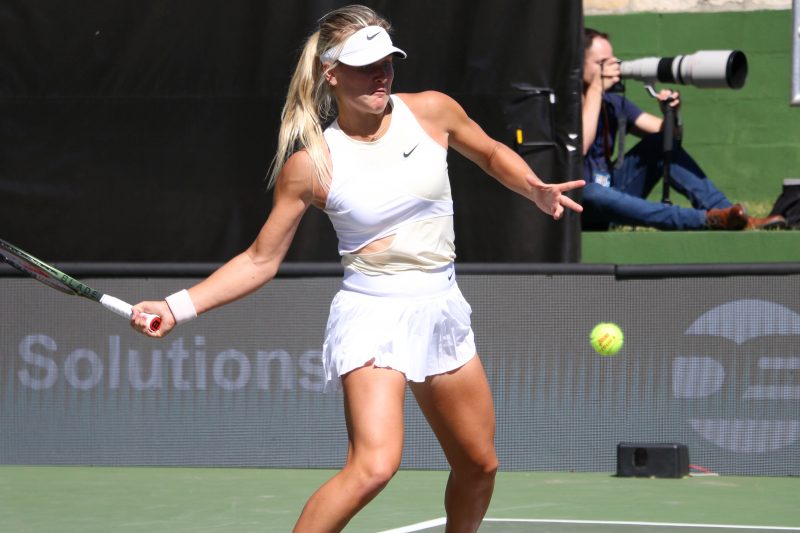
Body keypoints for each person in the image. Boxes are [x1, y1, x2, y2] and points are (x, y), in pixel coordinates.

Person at [131, 5, 584, 532]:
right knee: (374, 466)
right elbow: (260, 259)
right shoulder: (312, 164)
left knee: (479, 465)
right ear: (332, 74)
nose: (381, 76)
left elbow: (490, 153)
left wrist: (533, 187)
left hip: (441, 309)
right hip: (372, 315)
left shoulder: (433, 111)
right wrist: (175, 307)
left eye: (386, 63)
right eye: (366, 66)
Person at [581, 27, 786, 231]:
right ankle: (704, 220)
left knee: (659, 143)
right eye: (601, 63)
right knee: (592, 192)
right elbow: (579, 147)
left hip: (612, 193)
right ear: (576, 64)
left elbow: (670, 139)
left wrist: (672, 115)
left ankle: (728, 214)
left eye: (613, 61)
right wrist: (596, 89)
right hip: (580, 205)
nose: (612, 68)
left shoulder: (612, 103)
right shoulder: (565, 103)